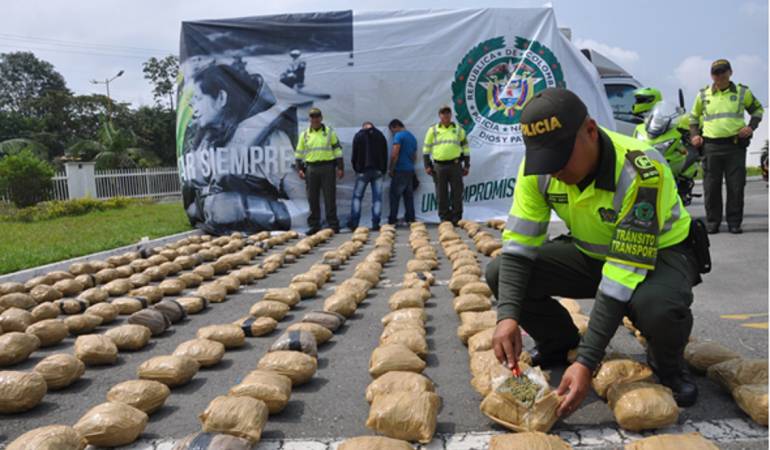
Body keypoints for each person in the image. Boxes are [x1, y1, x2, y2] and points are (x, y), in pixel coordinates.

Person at [486, 88, 707, 418]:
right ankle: (559, 344)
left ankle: (669, 366)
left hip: (658, 257)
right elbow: (519, 247)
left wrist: (588, 361)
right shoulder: (538, 170)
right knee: (500, 272)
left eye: (561, 156)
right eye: (546, 159)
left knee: (657, 307)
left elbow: (622, 272)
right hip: (592, 254)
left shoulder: (640, 170)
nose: (554, 170)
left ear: (591, 130)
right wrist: (507, 317)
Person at [689, 59, 764, 234]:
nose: (720, 76)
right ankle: (713, 223)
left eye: (723, 72)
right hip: (711, 147)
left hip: (735, 146)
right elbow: (693, 117)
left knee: (736, 186)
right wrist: (694, 135)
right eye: (716, 73)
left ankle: (734, 223)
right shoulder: (703, 95)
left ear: (730, 72)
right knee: (711, 187)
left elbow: (758, 110)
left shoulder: (742, 92)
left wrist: (750, 127)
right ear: (711, 75)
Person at [295, 107, 344, 234]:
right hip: (311, 168)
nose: (315, 119)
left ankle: (333, 224)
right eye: (313, 117)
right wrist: (299, 169)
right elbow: (298, 154)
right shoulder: (305, 134)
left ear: (321, 118)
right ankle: (314, 225)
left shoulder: (329, 132)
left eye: (317, 117)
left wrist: (340, 167)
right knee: (312, 198)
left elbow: (338, 151)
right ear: (310, 119)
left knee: (330, 197)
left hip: (328, 167)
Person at [423, 105, 470, 225]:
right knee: (441, 193)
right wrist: (427, 165)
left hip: (455, 165)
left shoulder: (459, 129)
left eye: (448, 113)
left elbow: (466, 148)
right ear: (439, 115)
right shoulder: (433, 130)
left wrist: (467, 165)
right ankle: (444, 218)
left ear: (451, 115)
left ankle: (457, 217)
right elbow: (426, 149)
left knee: (457, 192)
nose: (446, 115)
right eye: (443, 113)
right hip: (439, 167)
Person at [347, 121, 388, 230]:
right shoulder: (380, 135)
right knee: (377, 198)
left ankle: (354, 223)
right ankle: (375, 223)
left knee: (357, 197)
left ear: (363, 126)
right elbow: (385, 153)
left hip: (363, 170)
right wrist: (383, 169)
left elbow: (354, 155)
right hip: (378, 171)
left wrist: (357, 169)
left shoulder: (358, 136)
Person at [387, 119, 418, 226]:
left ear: (395, 127)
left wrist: (391, 169)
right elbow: (414, 156)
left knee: (395, 196)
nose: (392, 133)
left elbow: (395, 153)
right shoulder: (412, 137)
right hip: (409, 170)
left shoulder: (399, 136)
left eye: (392, 130)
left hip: (400, 170)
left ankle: (392, 219)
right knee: (408, 196)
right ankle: (410, 218)